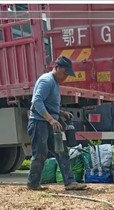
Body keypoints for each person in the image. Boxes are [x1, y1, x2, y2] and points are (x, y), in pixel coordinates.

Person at [27, 55, 87, 191]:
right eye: (65, 73)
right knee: (40, 153)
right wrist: (51, 119)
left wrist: (61, 113)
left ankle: (70, 182)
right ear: (56, 67)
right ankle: (33, 183)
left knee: (61, 151)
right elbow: (37, 102)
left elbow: (48, 104)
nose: (65, 77)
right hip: (39, 123)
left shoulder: (54, 82)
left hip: (48, 123)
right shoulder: (46, 81)